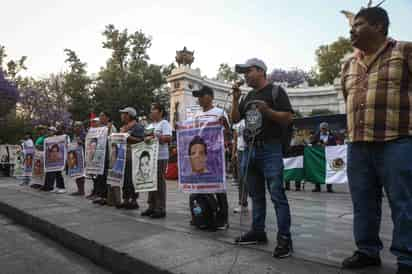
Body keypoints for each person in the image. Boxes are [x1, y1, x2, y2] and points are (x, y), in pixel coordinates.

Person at [340, 7, 412, 274]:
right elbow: (349, 100)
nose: (351, 30)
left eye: (358, 25)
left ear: (379, 26)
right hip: (358, 144)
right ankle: (367, 251)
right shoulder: (349, 63)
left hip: (397, 141)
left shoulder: (404, 51)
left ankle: (407, 258)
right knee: (363, 202)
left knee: (403, 201)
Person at [231, 58, 294, 258]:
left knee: (277, 194)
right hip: (250, 150)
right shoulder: (248, 96)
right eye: (244, 72)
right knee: (255, 195)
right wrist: (235, 98)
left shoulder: (276, 91)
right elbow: (234, 119)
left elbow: (288, 117)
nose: (245, 75)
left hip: (270, 149)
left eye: (248, 71)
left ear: (260, 71)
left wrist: (267, 111)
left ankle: (284, 238)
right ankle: (258, 231)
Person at [192, 85, 230, 230]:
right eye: (198, 96)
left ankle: (223, 218)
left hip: (216, 155)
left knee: (219, 187)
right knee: (201, 186)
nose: (199, 99)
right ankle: (203, 214)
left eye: (201, 96)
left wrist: (225, 126)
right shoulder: (196, 115)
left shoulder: (220, 112)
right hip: (200, 155)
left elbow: (228, 132)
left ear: (209, 96)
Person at [118, 107, 144, 209]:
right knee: (124, 179)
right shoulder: (124, 127)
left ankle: (133, 200)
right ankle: (125, 199)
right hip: (123, 156)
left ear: (129, 115)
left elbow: (142, 140)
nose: (121, 116)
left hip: (133, 156)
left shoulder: (138, 127)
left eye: (123, 114)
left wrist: (127, 137)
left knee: (132, 179)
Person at [93, 112, 117, 205]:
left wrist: (108, 129)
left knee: (106, 177)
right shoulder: (99, 128)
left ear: (107, 117)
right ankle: (101, 196)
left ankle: (107, 197)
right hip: (100, 156)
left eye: (102, 116)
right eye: (100, 116)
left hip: (108, 155)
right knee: (100, 177)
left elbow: (113, 139)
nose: (100, 118)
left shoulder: (112, 127)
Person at [310, 122, 336, 193]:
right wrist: (317, 144)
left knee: (329, 170)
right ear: (320, 129)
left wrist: (328, 145)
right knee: (317, 170)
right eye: (322, 128)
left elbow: (335, 145)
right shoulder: (316, 135)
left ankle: (329, 188)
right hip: (318, 156)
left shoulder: (332, 136)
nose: (323, 130)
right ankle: (317, 187)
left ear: (327, 129)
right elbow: (312, 143)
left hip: (329, 156)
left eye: (325, 128)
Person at [41, 127, 66, 194]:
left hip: (58, 161)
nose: (49, 132)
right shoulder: (47, 139)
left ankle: (62, 187)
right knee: (50, 173)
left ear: (54, 132)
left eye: (51, 131)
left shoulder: (58, 138)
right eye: (48, 131)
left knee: (58, 173)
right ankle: (51, 186)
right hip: (50, 161)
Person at [232, 119, 249, 214]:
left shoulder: (249, 117)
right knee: (241, 179)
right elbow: (235, 138)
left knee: (247, 177)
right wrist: (233, 153)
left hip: (248, 149)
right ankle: (243, 203)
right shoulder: (237, 120)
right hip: (240, 151)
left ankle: (246, 202)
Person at [70, 121, 86, 196]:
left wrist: (82, 143)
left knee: (81, 174)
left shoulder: (84, 135)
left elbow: (87, 145)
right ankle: (79, 190)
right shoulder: (74, 136)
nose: (76, 128)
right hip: (75, 157)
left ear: (82, 127)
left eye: (78, 126)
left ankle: (82, 191)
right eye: (75, 126)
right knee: (76, 174)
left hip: (82, 157)